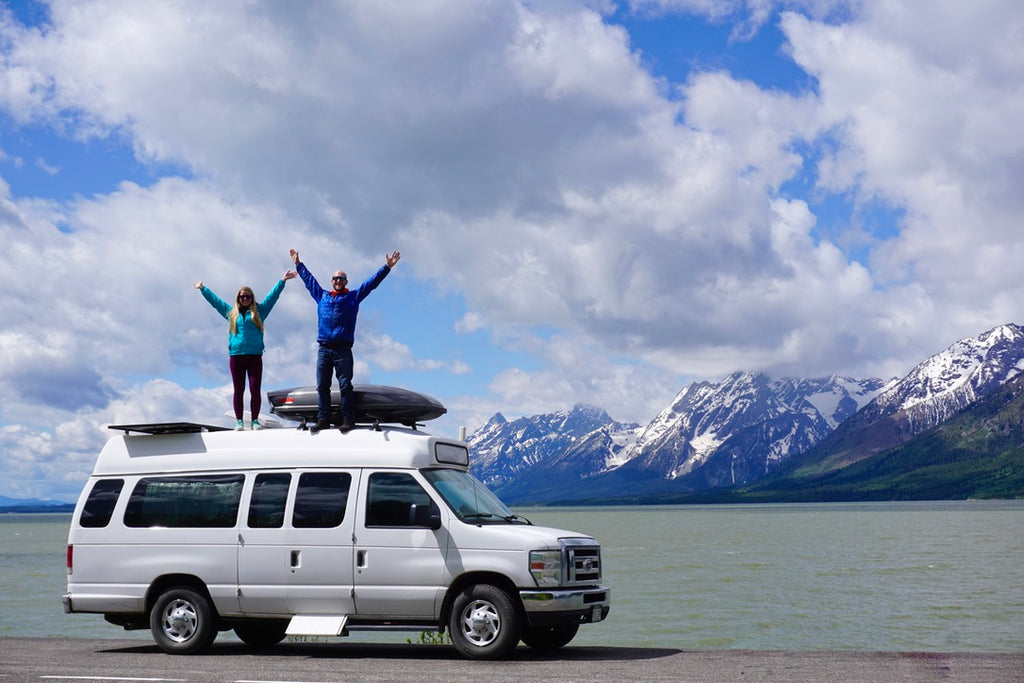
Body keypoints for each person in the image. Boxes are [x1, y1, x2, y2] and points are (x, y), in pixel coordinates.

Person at [290, 248, 401, 433]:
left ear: (346, 282)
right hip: (324, 348)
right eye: (335, 278)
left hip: (342, 349)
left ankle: (348, 419)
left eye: (341, 279)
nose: (337, 281)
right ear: (331, 281)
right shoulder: (322, 296)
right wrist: (298, 264)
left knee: (344, 385)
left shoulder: (352, 298)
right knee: (322, 386)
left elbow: (370, 284)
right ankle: (323, 418)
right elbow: (310, 282)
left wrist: (387, 268)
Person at [194, 271, 297, 430]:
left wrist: (282, 280)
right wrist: (203, 289)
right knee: (238, 389)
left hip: (254, 356)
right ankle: (239, 421)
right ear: (238, 298)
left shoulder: (260, 312)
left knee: (255, 389)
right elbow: (216, 303)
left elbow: (272, 297)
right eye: (242, 297)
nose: (245, 299)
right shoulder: (231, 313)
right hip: (236, 356)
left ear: (252, 298)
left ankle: (255, 420)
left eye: (248, 297)